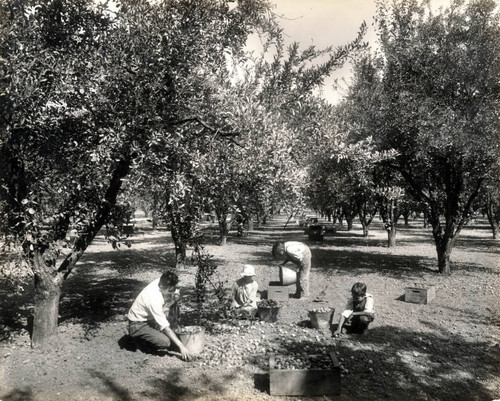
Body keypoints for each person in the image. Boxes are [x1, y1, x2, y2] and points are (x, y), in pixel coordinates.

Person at [127, 271, 193, 361]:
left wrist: (175, 293)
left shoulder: (162, 281)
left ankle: (153, 332)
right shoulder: (154, 298)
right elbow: (165, 326)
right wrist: (181, 347)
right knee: (165, 342)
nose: (172, 292)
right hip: (137, 324)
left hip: (149, 318)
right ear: (161, 287)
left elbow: (173, 290)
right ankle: (138, 340)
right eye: (170, 291)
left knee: (172, 304)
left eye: (173, 289)